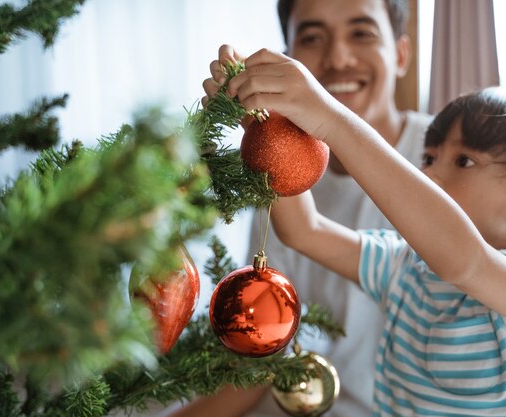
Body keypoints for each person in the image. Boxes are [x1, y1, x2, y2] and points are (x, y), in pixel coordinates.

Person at [220, 47, 506, 415]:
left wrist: (332, 121)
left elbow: (463, 262)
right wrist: (268, 131)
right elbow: (305, 231)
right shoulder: (403, 266)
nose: (431, 174)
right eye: (428, 157)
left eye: (464, 161)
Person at [169, 1, 432, 416]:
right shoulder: (281, 171)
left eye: (361, 33)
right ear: (291, 60)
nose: (338, 58)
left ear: (400, 54)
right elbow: (261, 342)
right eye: (312, 37)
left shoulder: (446, 162)